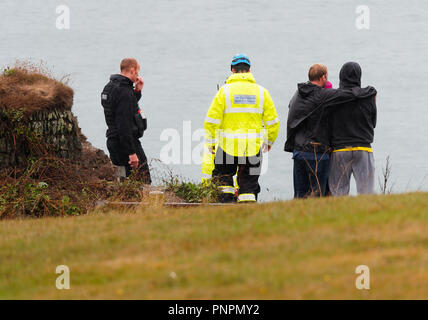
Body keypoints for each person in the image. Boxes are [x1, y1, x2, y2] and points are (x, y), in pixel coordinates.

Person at [284, 64, 376, 198]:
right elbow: (372, 122)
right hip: (324, 152)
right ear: (323, 77)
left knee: (302, 195)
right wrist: (370, 91)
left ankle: (303, 217)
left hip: (301, 150)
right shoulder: (324, 96)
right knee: (321, 195)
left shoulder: (298, 94)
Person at [204, 54, 280, 203]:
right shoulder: (261, 92)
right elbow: (273, 122)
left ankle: (225, 211)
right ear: (249, 70)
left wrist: (211, 142)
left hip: (227, 147)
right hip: (252, 149)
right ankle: (247, 216)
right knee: (249, 187)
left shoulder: (224, 92)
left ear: (233, 70)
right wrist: (269, 141)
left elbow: (211, 121)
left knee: (223, 182)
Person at [328, 62, 377, 196]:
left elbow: (328, 124)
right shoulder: (368, 96)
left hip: (340, 149)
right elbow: (373, 123)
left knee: (338, 193)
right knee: (367, 193)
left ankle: (339, 217)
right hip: (363, 148)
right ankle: (369, 215)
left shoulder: (333, 97)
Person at [101, 58, 151, 183]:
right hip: (126, 143)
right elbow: (124, 124)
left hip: (113, 141)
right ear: (132, 70)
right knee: (142, 180)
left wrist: (137, 91)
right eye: (137, 73)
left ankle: (123, 201)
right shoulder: (124, 91)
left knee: (123, 181)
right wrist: (132, 153)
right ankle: (141, 203)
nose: (138, 76)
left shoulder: (110, 87)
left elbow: (123, 108)